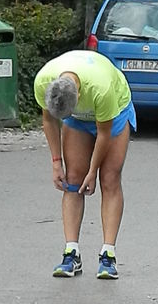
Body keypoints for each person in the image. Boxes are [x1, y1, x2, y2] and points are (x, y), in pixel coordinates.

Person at [34, 49, 136, 280]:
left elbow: (104, 133)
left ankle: (108, 255)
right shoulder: (44, 81)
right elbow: (49, 120)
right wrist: (56, 162)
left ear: (78, 94)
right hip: (78, 121)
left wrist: (93, 172)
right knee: (73, 181)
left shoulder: (101, 88)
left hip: (114, 114)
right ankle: (71, 253)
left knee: (109, 178)